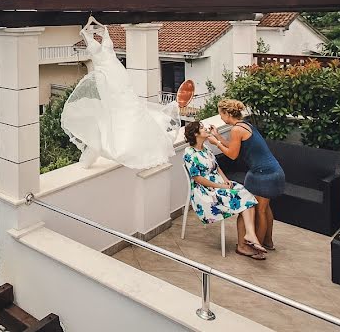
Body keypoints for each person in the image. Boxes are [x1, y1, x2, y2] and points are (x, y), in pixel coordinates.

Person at [61, 20, 181, 171]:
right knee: (115, 108)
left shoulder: (104, 29)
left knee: (129, 104)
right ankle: (124, 141)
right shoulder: (85, 33)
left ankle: (139, 141)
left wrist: (102, 31)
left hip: (118, 72)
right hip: (105, 76)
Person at [208, 99, 285, 251]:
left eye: (221, 114)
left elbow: (232, 154)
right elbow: (233, 145)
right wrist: (217, 136)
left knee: (260, 211)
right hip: (274, 171)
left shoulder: (236, 130)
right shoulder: (244, 125)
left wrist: (216, 144)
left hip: (263, 175)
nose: (221, 118)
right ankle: (268, 242)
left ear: (227, 113)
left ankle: (258, 248)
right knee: (266, 207)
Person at [183, 120, 266, 259]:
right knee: (244, 200)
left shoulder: (206, 149)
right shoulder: (189, 153)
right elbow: (198, 179)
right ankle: (245, 243)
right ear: (196, 134)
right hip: (205, 191)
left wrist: (226, 180)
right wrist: (221, 186)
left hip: (219, 184)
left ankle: (249, 235)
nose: (206, 128)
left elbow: (217, 167)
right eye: (202, 128)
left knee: (247, 194)